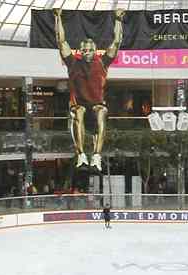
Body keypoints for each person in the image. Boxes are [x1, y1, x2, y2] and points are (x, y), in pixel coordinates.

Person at [53, 8, 125, 172]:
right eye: (84, 50)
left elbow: (117, 41)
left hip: (96, 106)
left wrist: (119, 20)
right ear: (80, 51)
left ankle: (97, 156)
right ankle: (81, 155)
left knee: (101, 112)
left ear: (95, 50)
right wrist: (58, 17)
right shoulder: (72, 63)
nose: (87, 52)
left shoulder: (103, 62)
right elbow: (61, 41)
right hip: (80, 106)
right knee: (78, 112)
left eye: (90, 50)